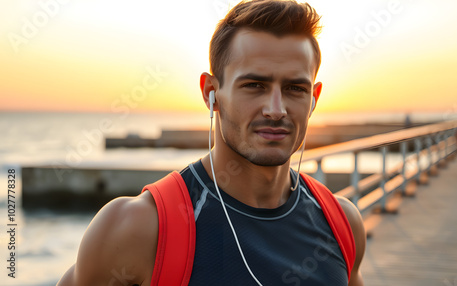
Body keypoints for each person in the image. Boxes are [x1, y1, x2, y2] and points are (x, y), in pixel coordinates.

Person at [57, 1, 365, 285]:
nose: (276, 109)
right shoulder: (138, 228)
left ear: (314, 98)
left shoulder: (342, 224)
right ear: (211, 93)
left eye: (295, 88)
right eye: (254, 85)